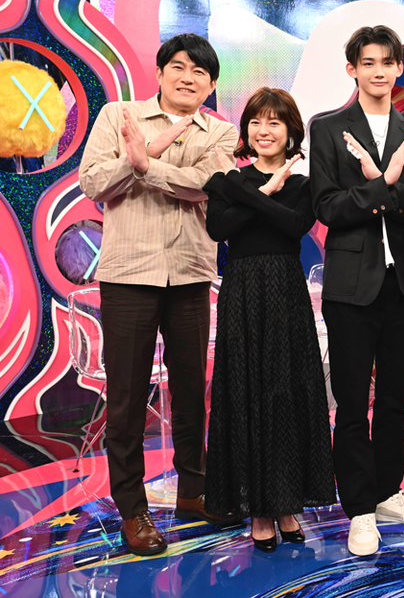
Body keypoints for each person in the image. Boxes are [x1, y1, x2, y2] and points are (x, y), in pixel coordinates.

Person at [78, 33, 241, 555]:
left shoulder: (222, 131)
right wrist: (141, 154)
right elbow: (93, 183)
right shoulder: (118, 116)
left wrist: (147, 164)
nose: (188, 78)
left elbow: (207, 186)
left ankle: (194, 489)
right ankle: (133, 509)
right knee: (128, 396)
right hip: (129, 273)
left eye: (200, 72)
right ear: (160, 72)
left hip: (191, 273)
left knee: (191, 390)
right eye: (178, 67)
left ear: (211, 86)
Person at [310, 25, 404, 557]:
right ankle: (359, 508)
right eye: (368, 62)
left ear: (399, 68)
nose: (379, 71)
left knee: (394, 400)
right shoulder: (327, 128)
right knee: (350, 402)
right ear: (353, 70)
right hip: (349, 286)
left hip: (403, 283)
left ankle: (387, 492)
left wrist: (381, 189)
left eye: (387, 62)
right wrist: (382, 185)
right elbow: (327, 207)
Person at [203, 88, 337, 552]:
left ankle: (285, 504)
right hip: (242, 291)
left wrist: (249, 193)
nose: (264, 131)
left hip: (285, 290)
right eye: (256, 122)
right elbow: (219, 229)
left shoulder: (299, 184)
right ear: (247, 130)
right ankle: (259, 511)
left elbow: (293, 225)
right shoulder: (227, 180)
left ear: (290, 131)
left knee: (285, 393)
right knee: (246, 393)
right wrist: (262, 191)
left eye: (274, 122)